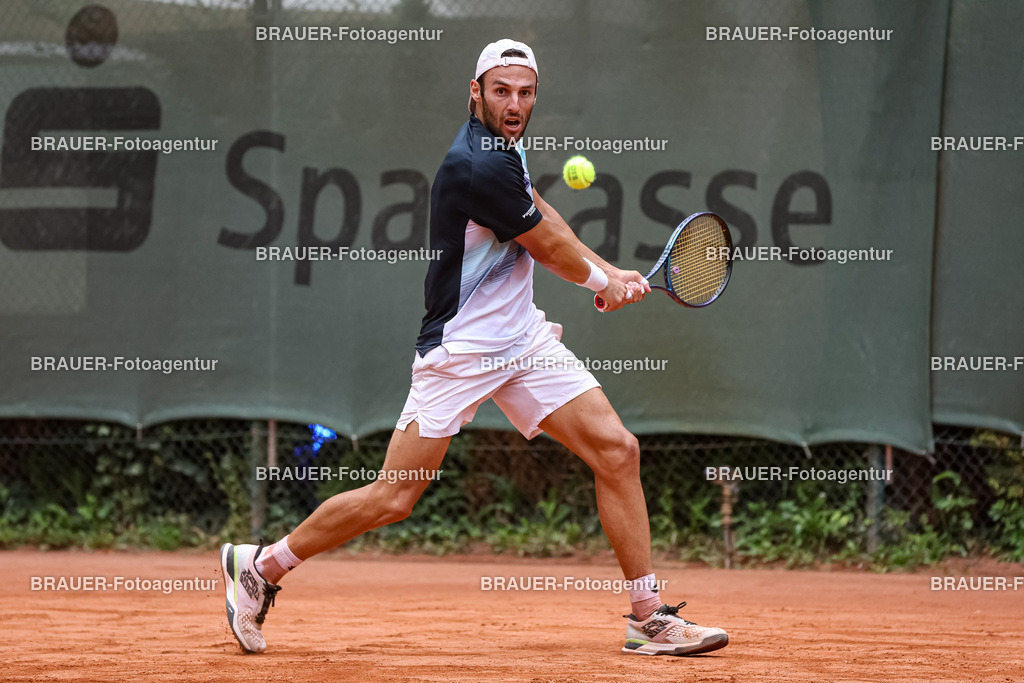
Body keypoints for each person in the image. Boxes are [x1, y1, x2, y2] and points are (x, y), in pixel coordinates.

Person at [220, 38, 729, 657]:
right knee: (394, 496)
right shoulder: (477, 162)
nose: (514, 104)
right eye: (501, 91)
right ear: (476, 92)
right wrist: (600, 283)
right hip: (459, 350)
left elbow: (541, 214)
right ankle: (261, 568)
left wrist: (609, 271)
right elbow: (544, 245)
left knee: (618, 451)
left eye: (525, 92)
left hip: (521, 339)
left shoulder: (506, 149)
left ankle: (647, 617)